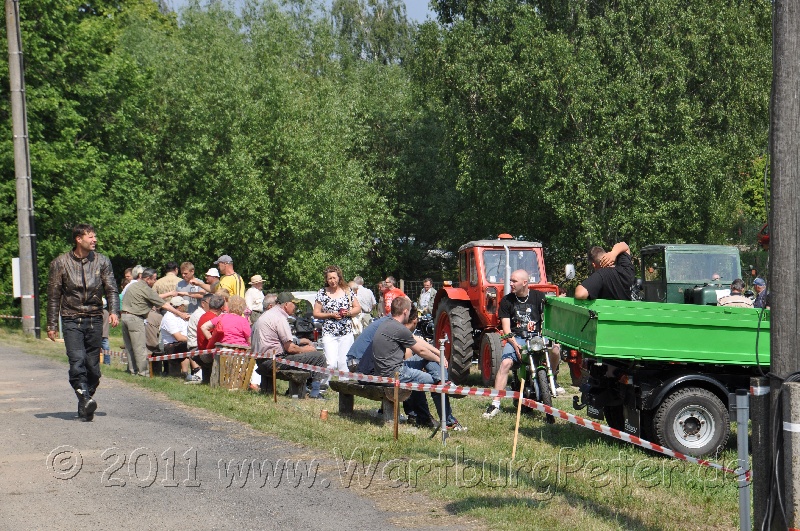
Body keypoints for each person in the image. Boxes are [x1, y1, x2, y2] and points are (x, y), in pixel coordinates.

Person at [46, 223, 120, 421]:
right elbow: (53, 296)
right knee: (77, 363)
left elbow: (111, 289)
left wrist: (114, 311)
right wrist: (52, 324)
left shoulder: (103, 261)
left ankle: (84, 402)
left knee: (93, 368)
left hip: (95, 318)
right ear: (79, 239)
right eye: (90, 236)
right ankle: (86, 398)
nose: (94, 240)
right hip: (71, 319)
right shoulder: (60, 263)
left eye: (95, 236)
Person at [372, 297, 466, 431]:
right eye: (409, 311)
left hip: (387, 371)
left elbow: (416, 341)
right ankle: (448, 419)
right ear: (405, 312)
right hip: (396, 374)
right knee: (434, 381)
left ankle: (443, 382)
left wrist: (438, 354)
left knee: (430, 362)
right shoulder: (398, 328)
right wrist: (439, 359)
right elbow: (421, 350)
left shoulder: (387, 323)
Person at [483, 269, 563, 419]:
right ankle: (495, 403)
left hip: (537, 337)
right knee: (505, 363)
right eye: (511, 281)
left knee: (556, 350)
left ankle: (552, 379)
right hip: (517, 338)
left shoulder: (539, 297)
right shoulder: (507, 301)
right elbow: (506, 329)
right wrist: (515, 345)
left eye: (514, 281)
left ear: (524, 283)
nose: (511, 284)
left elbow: (551, 317)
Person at [253, 292, 327, 398]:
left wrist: (300, 342)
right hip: (273, 361)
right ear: (286, 304)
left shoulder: (267, 314)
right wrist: (307, 349)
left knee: (304, 355)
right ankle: (315, 391)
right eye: (294, 304)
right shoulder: (280, 317)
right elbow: (290, 348)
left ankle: (302, 387)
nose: (295, 307)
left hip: (261, 360)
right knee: (319, 357)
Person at [120, 267, 190, 377]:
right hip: (135, 318)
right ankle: (143, 373)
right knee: (140, 347)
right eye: (154, 279)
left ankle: (132, 371)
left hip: (124, 317)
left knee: (129, 347)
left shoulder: (133, 285)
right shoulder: (146, 289)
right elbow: (164, 304)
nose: (155, 281)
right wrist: (180, 314)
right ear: (148, 279)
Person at [314, 265, 361, 379]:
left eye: (334, 278)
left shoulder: (347, 291)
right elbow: (316, 313)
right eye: (330, 278)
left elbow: (358, 308)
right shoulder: (322, 292)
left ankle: (343, 389)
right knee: (331, 362)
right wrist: (330, 314)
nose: (332, 281)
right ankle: (321, 386)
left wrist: (348, 313)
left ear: (339, 277)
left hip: (346, 332)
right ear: (326, 279)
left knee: (343, 363)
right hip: (329, 333)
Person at [161, 296, 202, 382]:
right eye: (184, 305)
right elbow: (179, 337)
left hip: (179, 343)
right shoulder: (169, 318)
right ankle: (196, 370)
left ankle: (187, 373)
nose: (185, 307)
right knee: (189, 345)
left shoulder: (180, 316)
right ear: (179, 307)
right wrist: (194, 340)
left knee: (189, 344)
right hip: (171, 346)